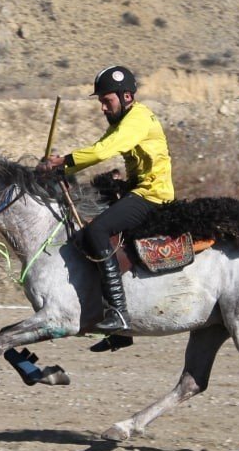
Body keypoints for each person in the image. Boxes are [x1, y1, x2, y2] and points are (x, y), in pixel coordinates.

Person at [37, 65, 174, 336]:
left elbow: (104, 151)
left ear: (126, 97)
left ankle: (118, 311)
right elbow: (98, 148)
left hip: (153, 196)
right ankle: (119, 336)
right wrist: (61, 170)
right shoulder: (124, 121)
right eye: (101, 102)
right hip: (139, 191)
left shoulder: (137, 120)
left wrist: (64, 161)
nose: (103, 108)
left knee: (97, 230)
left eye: (106, 101)